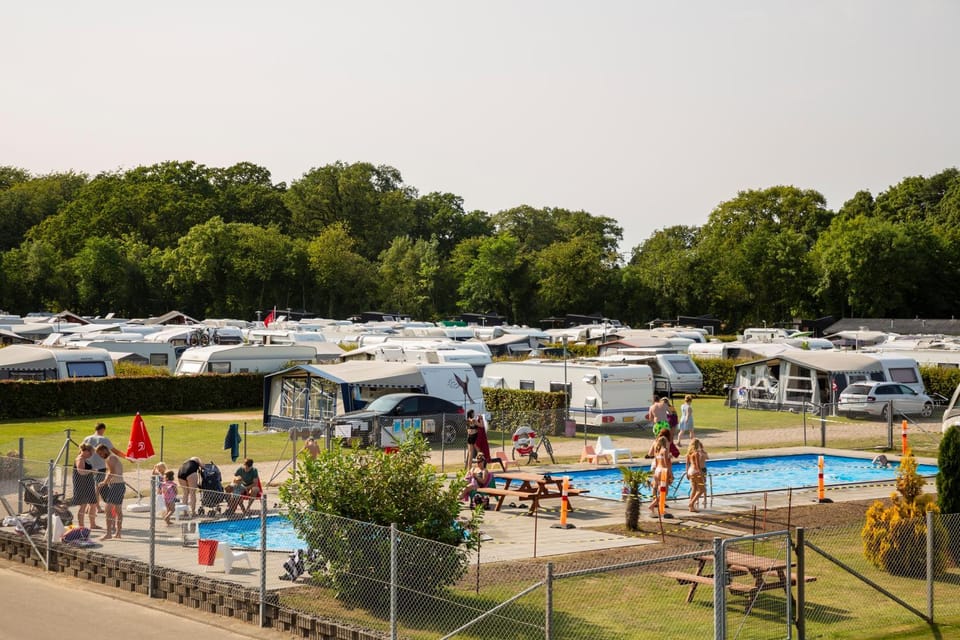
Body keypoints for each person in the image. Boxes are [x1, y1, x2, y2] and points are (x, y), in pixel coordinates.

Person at [81, 422, 125, 514]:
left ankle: (88, 506)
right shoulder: (104, 439)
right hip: (100, 467)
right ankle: (96, 507)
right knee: (98, 487)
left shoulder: (86, 438)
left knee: (90, 486)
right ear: (103, 429)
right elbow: (115, 452)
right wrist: (127, 457)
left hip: (88, 465)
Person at [95, 444, 124, 540]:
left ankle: (109, 534)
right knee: (118, 510)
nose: (100, 455)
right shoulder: (113, 458)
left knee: (108, 510)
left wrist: (104, 482)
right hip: (119, 485)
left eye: (100, 453)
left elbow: (112, 472)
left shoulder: (110, 458)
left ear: (104, 450)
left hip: (115, 486)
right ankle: (118, 533)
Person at [71, 443, 100, 530]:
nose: (91, 455)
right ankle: (81, 526)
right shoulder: (80, 459)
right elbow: (81, 472)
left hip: (88, 484)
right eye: (90, 453)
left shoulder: (84, 459)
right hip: (81, 484)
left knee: (93, 503)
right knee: (83, 505)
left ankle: (93, 524)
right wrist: (91, 471)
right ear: (85, 451)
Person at [648, 435, 674, 518]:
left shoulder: (657, 451)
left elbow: (656, 461)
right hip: (663, 471)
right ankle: (652, 505)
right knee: (664, 492)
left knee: (660, 490)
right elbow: (666, 463)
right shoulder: (664, 450)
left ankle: (661, 509)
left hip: (657, 471)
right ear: (665, 442)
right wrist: (670, 474)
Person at [685, 439, 708, 512]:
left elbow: (687, 464)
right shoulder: (696, 453)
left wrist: (686, 473)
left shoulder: (689, 453)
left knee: (694, 489)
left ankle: (691, 507)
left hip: (690, 471)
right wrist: (701, 475)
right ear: (697, 445)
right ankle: (691, 504)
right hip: (696, 472)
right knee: (702, 489)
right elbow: (698, 465)